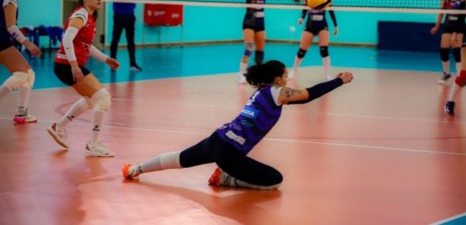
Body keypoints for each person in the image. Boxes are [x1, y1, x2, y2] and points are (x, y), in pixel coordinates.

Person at [123, 60, 354, 189]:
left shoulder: (262, 91)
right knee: (275, 181)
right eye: (285, 76)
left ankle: (136, 169)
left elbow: (300, 98)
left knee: (180, 158)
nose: (287, 79)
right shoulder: (279, 92)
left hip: (217, 139)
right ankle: (226, 178)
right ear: (278, 80)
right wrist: (339, 81)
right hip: (229, 154)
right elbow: (309, 95)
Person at [47, 0, 119, 157]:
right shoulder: (81, 15)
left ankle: (59, 127)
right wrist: (74, 65)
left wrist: (106, 59)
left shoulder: (89, 17)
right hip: (66, 65)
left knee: (91, 99)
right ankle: (93, 144)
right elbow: (66, 40)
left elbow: (87, 46)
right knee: (103, 99)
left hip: (66, 65)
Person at [224, 0, 298, 83]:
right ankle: (240, 74)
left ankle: (258, 75)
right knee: (249, 48)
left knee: (260, 50)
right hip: (249, 21)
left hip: (260, 22)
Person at [0, 0, 41, 124]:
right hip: (2, 41)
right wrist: (28, 43)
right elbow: (11, 27)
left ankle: (21, 113)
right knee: (22, 75)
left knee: (29, 74)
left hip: (4, 41)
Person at [288, 0, 338, 80]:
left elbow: (331, 11)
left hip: (322, 25)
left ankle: (328, 75)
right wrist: (301, 18)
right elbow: (304, 10)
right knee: (302, 51)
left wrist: (335, 25)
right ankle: (294, 71)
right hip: (310, 26)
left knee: (324, 50)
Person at [430, 0, 465, 84]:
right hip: (448, 25)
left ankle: (459, 76)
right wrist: (437, 26)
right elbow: (441, 12)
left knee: (456, 50)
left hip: (458, 26)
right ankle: (446, 74)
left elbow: (464, 16)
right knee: (443, 50)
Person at [109, 0, 142, 71]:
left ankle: (133, 64)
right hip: (119, 17)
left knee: (131, 40)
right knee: (115, 40)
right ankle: (113, 64)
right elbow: (119, 0)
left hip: (130, 17)